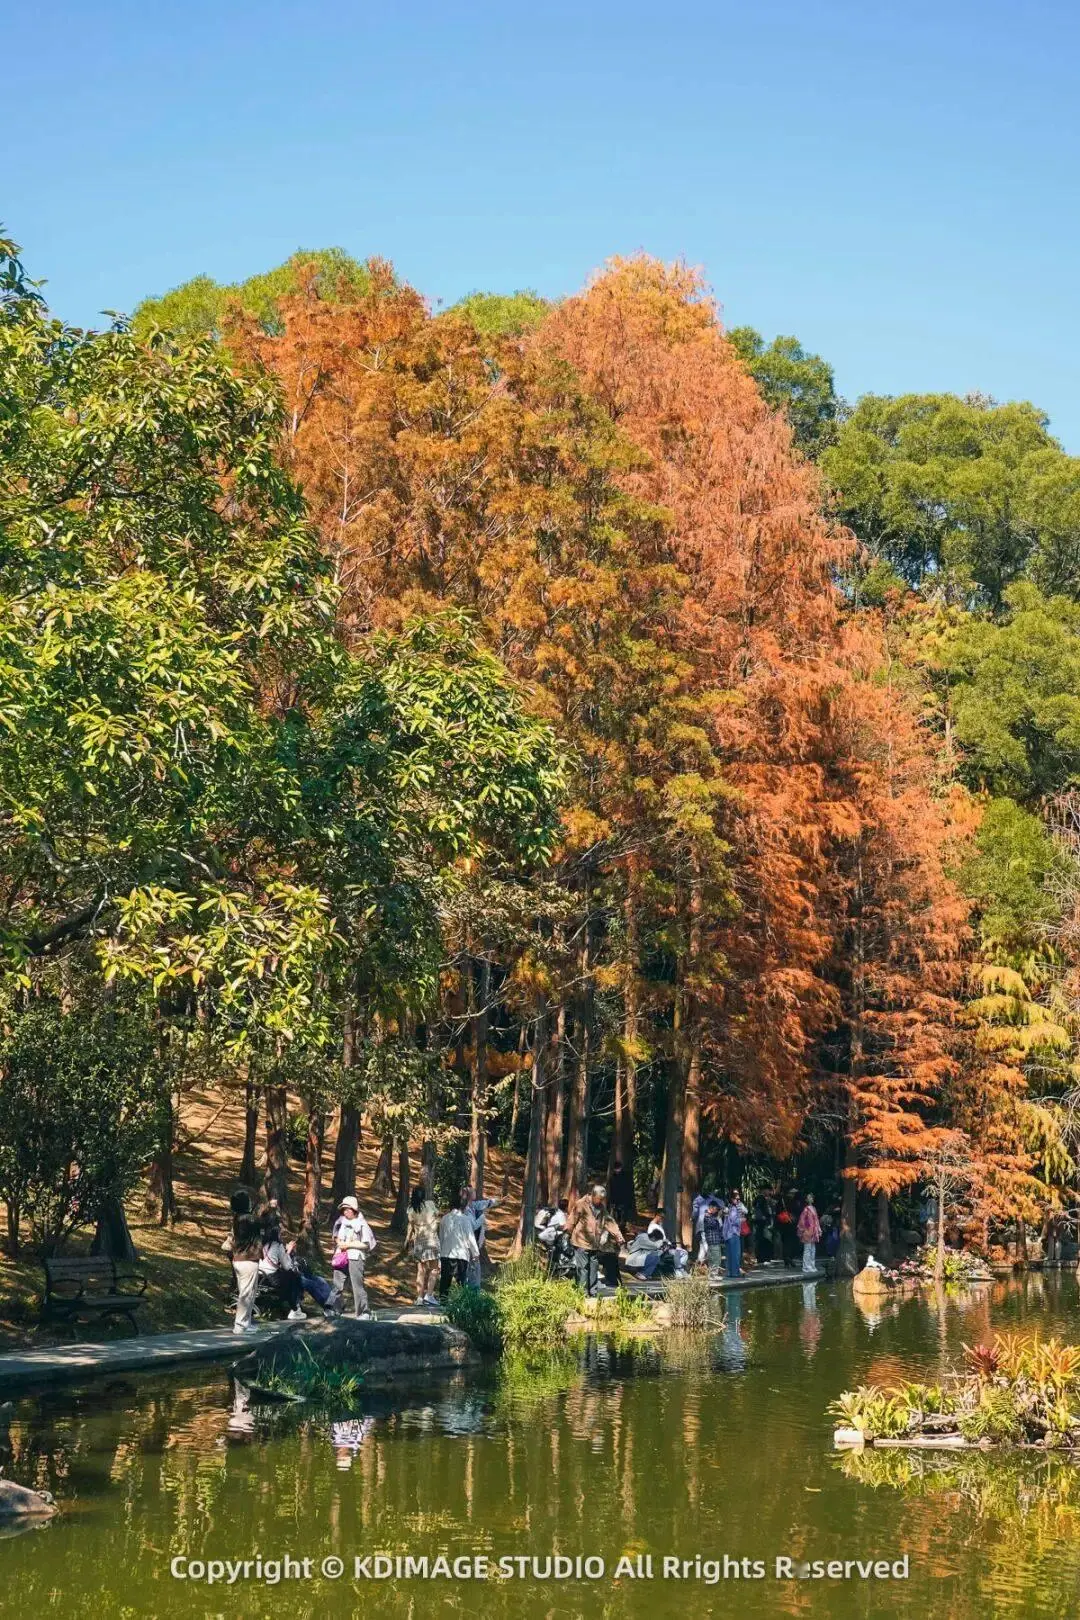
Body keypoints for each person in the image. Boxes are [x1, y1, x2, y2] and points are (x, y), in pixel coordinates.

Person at [566, 1183, 624, 1298]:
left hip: (594, 1244)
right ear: (593, 1195)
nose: (600, 1201)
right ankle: (582, 1293)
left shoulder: (601, 1208)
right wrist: (569, 1234)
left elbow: (609, 1221)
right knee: (583, 1268)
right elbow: (571, 1221)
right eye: (599, 1199)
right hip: (581, 1242)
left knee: (593, 1267)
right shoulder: (581, 1204)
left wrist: (618, 1235)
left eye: (602, 1199)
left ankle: (592, 1291)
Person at [223, 1188, 263, 1334]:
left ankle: (246, 1322)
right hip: (247, 1260)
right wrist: (269, 1209)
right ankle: (240, 1325)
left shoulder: (239, 1218)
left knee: (249, 1292)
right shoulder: (247, 1218)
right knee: (246, 1293)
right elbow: (264, 1223)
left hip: (241, 1259)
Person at [331, 1195, 377, 1318]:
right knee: (337, 1284)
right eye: (344, 1209)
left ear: (354, 1209)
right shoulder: (341, 1222)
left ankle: (364, 1312)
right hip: (341, 1257)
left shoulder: (362, 1224)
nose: (345, 1212)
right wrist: (339, 1243)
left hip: (356, 1257)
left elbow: (366, 1244)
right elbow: (335, 1236)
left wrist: (349, 1245)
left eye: (348, 1209)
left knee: (357, 1285)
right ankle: (333, 1309)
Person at [258, 1214, 307, 1320]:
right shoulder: (277, 1245)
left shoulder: (261, 1243)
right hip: (272, 1278)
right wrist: (288, 1250)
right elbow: (287, 1265)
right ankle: (295, 1308)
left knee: (289, 1277)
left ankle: (293, 1307)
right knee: (294, 1277)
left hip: (260, 1276)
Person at [439, 1186, 480, 1298]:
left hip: (446, 1253)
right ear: (463, 1205)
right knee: (461, 1281)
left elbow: (441, 1237)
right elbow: (470, 1237)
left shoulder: (444, 1218)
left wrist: (440, 1253)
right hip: (461, 1255)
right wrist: (475, 1253)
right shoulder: (465, 1219)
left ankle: (443, 1301)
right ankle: (461, 1302)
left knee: (445, 1280)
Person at [406, 1185, 441, 1305]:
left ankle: (419, 1298)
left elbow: (411, 1225)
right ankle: (429, 1295)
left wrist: (407, 1241)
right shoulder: (430, 1204)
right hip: (431, 1240)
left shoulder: (410, 1209)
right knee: (434, 1268)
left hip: (419, 1241)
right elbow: (437, 1213)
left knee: (420, 1270)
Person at [465, 1187, 499, 1287]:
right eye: (473, 1191)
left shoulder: (473, 1205)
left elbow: (483, 1203)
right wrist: (483, 1216)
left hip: (474, 1242)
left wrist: (496, 1201)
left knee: (474, 1268)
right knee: (472, 1268)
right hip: (468, 1243)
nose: (475, 1192)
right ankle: (471, 1292)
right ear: (469, 1195)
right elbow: (474, 1226)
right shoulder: (466, 1210)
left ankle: (473, 1290)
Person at [722, 1189, 747, 1278]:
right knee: (735, 1254)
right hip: (733, 1233)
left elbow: (746, 1210)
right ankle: (735, 1272)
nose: (738, 1200)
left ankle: (730, 1272)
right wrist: (742, 1220)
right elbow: (734, 1220)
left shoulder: (730, 1207)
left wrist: (740, 1205)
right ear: (732, 1199)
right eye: (737, 1199)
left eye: (739, 1199)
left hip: (728, 1234)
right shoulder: (732, 1208)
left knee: (730, 1254)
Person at [608, 1158, 635, 1230]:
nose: (617, 1170)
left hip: (624, 1198)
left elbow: (630, 1188)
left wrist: (630, 1198)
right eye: (616, 1169)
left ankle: (623, 1226)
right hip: (617, 1199)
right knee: (618, 1214)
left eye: (618, 1168)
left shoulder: (626, 1176)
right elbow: (612, 1190)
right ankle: (619, 1226)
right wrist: (612, 1201)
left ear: (621, 1168)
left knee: (624, 1213)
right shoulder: (612, 1177)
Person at [797, 1193, 822, 1273]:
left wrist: (818, 1229)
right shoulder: (806, 1209)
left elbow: (816, 1220)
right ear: (806, 1200)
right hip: (807, 1232)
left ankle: (812, 1265)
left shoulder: (813, 1208)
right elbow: (802, 1221)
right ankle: (806, 1267)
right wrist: (802, 1230)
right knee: (807, 1249)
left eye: (811, 1197)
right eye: (809, 1198)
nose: (810, 1199)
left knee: (812, 1249)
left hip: (813, 1231)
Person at [702, 1200, 724, 1278]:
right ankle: (713, 1275)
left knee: (716, 1257)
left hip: (715, 1240)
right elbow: (713, 1224)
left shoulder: (712, 1216)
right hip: (712, 1240)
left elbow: (719, 1227)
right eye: (716, 1209)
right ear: (711, 1207)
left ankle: (713, 1274)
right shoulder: (707, 1215)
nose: (717, 1210)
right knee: (714, 1258)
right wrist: (718, 1217)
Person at [753, 1190, 774, 1264]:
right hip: (764, 1225)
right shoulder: (764, 1203)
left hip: (758, 1224)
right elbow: (768, 1214)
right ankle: (766, 1257)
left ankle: (760, 1258)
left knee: (759, 1241)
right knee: (766, 1241)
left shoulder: (756, 1204)